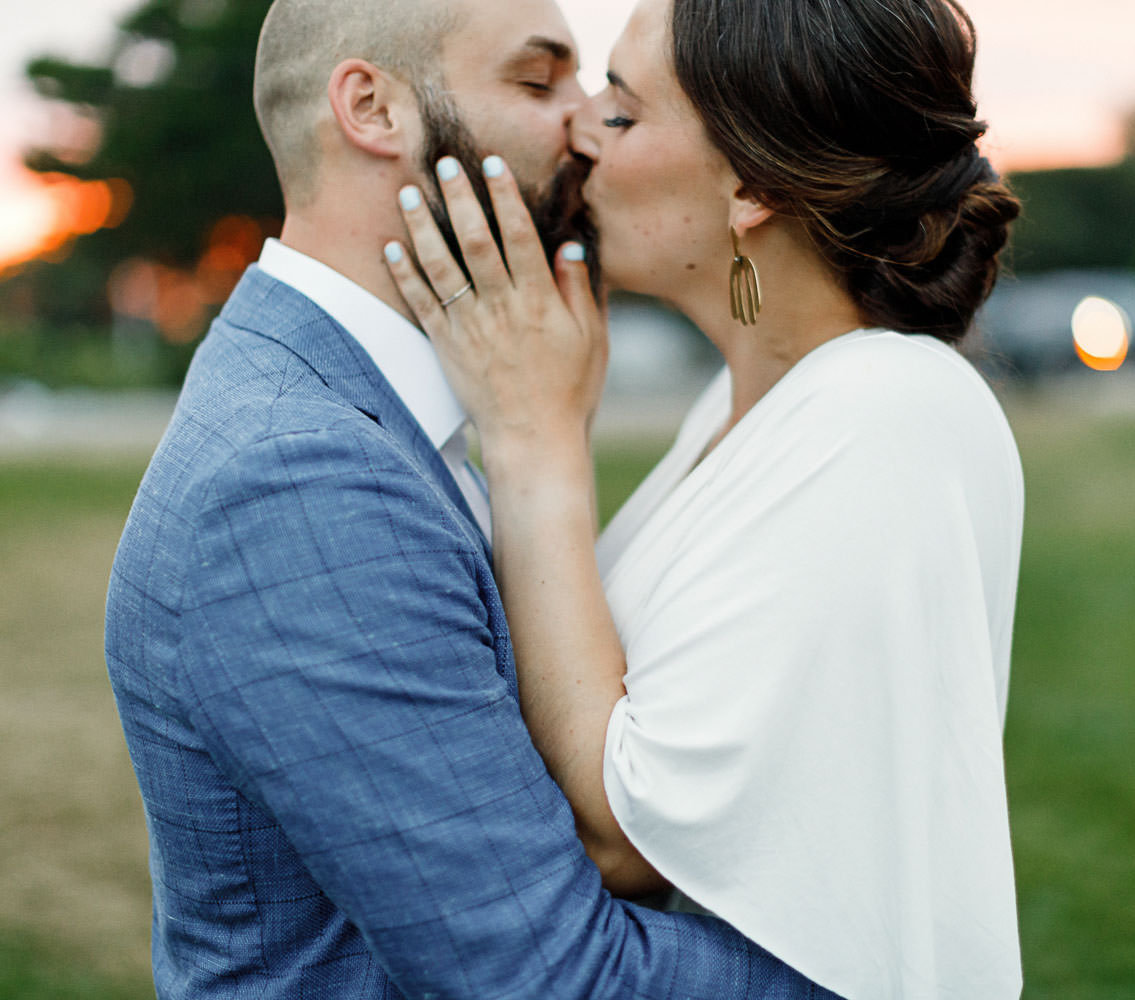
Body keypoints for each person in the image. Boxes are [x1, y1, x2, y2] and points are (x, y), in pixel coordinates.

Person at [103, 0, 842, 996]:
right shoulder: (301, 481)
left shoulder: (366, 407)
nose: (588, 123)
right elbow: (550, 978)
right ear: (374, 109)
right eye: (540, 83)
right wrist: (889, 963)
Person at [381, 0, 1027, 997]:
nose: (579, 128)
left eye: (625, 114)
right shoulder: (744, 405)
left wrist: (534, 441)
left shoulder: (889, 409)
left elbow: (622, 836)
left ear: (754, 186)